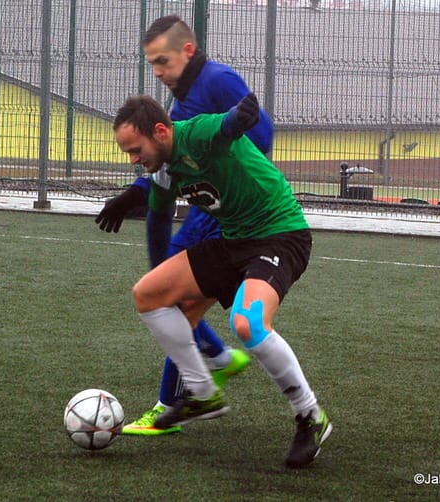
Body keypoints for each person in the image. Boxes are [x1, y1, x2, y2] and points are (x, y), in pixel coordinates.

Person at [108, 93, 332, 468]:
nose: (133, 160)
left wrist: (241, 115)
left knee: (247, 323)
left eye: (135, 149)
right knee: (148, 294)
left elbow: (225, 126)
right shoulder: (163, 171)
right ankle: (201, 391)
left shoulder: (195, 134)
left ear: (161, 132)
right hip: (233, 241)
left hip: (280, 234)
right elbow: (160, 218)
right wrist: (132, 203)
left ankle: (310, 415)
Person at [96, 15, 274, 436]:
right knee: (163, 291)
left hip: (227, 213)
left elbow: (261, 132)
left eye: (163, 61)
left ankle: (184, 393)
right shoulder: (182, 97)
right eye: (152, 64)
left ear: (187, 51)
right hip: (205, 210)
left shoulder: (217, 80)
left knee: (172, 299)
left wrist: (231, 180)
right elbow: (172, 151)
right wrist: (137, 192)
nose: (157, 72)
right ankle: (213, 362)